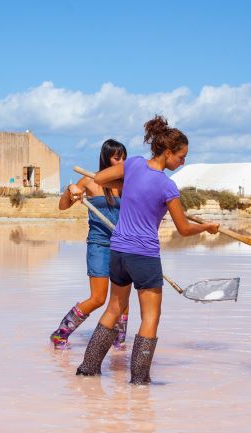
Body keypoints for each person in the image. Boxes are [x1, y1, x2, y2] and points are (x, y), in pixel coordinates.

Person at [73, 115, 219, 384]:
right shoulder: (167, 186)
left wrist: (130, 185)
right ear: (167, 152)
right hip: (144, 255)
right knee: (151, 316)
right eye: (181, 156)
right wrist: (207, 227)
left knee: (113, 308)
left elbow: (101, 179)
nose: (182, 162)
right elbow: (184, 229)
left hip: (118, 252)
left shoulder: (135, 164)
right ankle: (139, 380)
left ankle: (88, 368)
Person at [50, 139, 130, 349]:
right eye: (116, 157)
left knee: (122, 299)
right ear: (106, 158)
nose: (121, 161)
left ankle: (118, 343)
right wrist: (70, 189)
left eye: (123, 157)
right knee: (98, 298)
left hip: (124, 244)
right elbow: (62, 207)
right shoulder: (90, 180)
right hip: (99, 244)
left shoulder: (126, 183)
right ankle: (61, 333)